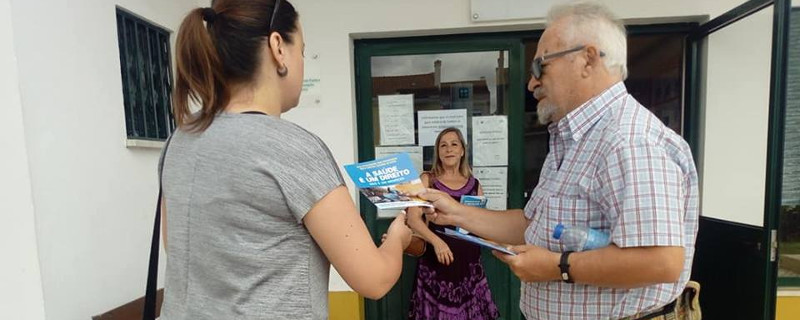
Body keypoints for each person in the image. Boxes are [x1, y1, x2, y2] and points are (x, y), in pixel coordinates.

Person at [417, 1, 700, 319]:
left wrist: (556, 267)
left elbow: (661, 261)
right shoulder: (574, 139)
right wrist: (456, 211)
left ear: (587, 60)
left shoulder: (629, 140)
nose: (531, 83)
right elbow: (530, 226)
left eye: (540, 67)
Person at [159, 1, 412, 319]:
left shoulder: (179, 140)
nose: (302, 61)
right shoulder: (294, 149)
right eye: (301, 50)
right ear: (278, 47)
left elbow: (178, 245)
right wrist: (399, 239)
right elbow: (374, 279)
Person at [405, 128, 499, 320]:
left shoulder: (475, 184)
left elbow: (481, 222)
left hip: (469, 263)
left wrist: (502, 244)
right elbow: (413, 219)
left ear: (462, 150)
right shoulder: (426, 179)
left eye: (454, 144)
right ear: (438, 152)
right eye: (443, 145)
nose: (449, 149)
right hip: (436, 261)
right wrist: (436, 242)